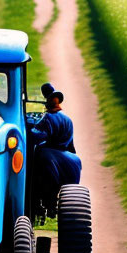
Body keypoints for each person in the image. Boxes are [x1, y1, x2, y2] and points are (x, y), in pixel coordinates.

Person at [29, 82, 82, 214]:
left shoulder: (47, 118)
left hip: (50, 151)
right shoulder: (68, 119)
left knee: (34, 163)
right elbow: (71, 144)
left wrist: (31, 129)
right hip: (65, 152)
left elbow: (40, 136)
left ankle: (36, 200)